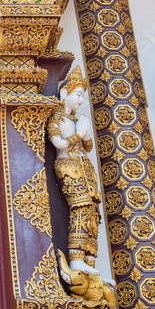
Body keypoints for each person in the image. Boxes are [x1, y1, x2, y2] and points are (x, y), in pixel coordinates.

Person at [47, 65, 113, 285]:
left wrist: (84, 134)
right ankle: (76, 258)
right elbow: (59, 143)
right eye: (78, 95)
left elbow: (89, 146)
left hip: (84, 168)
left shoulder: (77, 120)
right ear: (64, 94)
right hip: (67, 167)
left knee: (94, 211)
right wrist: (78, 135)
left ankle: (89, 263)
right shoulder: (57, 119)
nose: (80, 100)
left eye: (82, 96)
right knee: (81, 206)